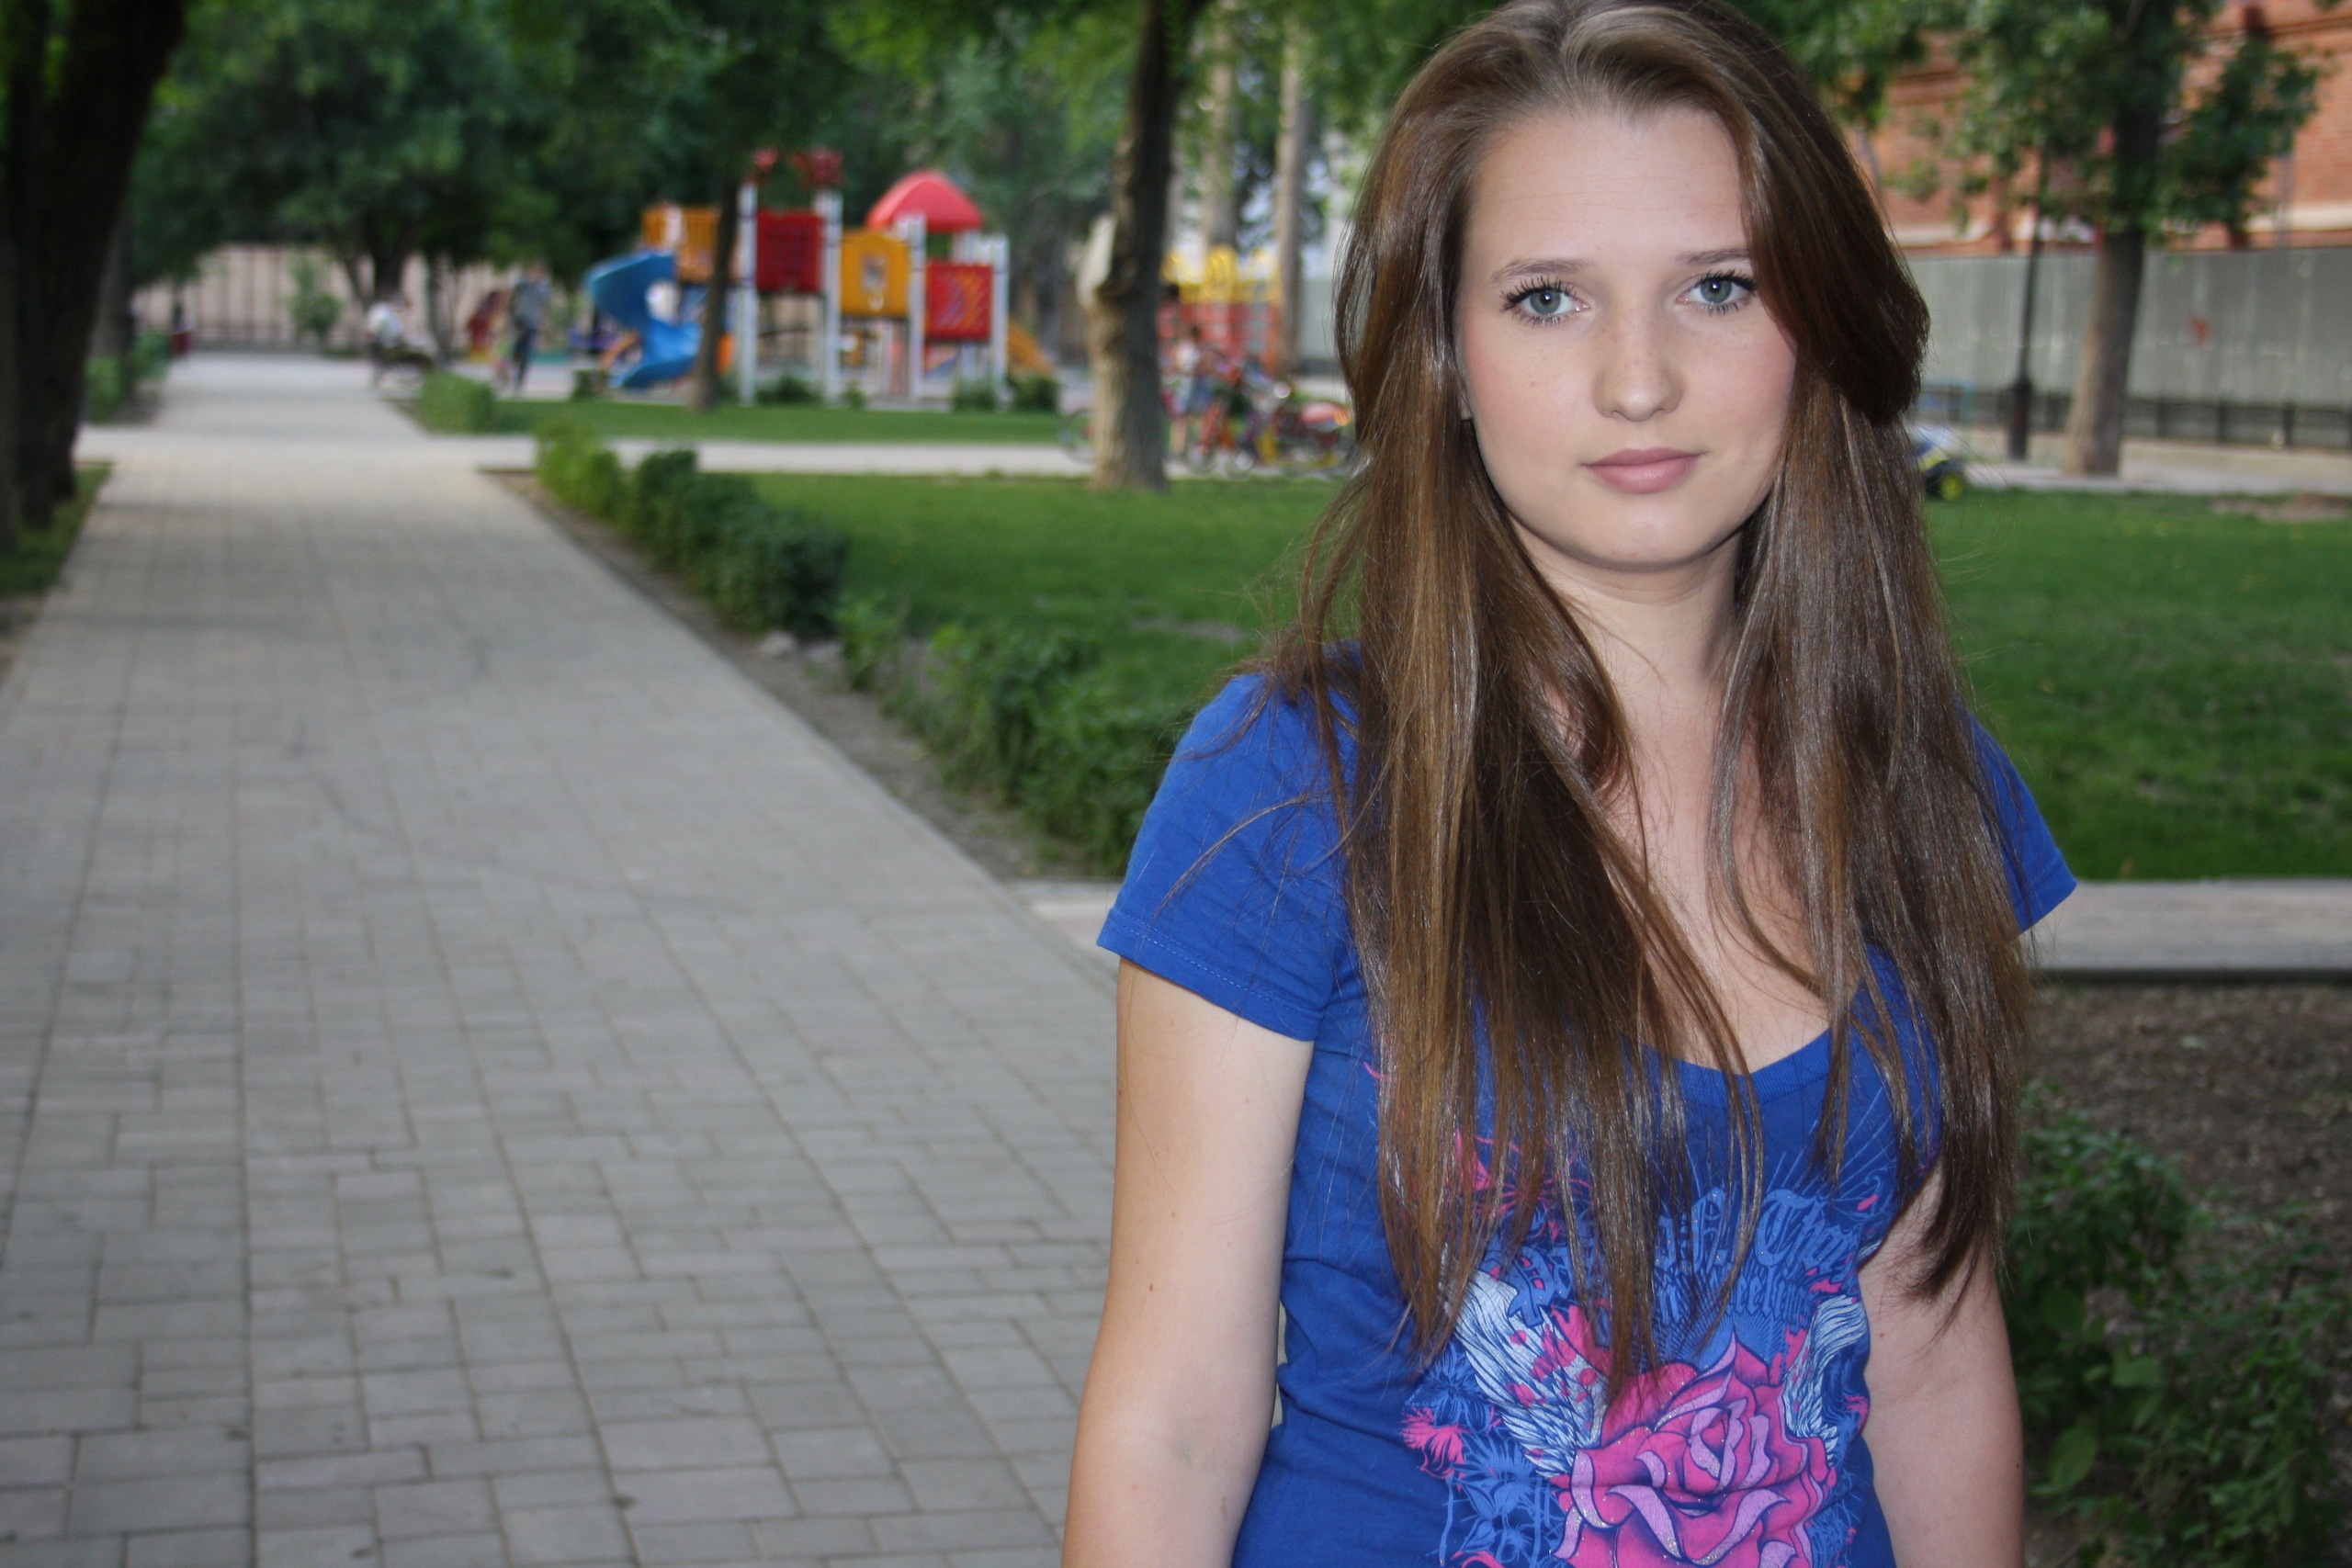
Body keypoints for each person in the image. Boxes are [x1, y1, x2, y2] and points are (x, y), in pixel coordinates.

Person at [1064, 3, 2075, 1567]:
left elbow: (1932, 1354)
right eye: (1547, 298)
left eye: (1719, 287)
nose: (1639, 379)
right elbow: (1174, 1421)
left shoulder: (1925, 784)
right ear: (1448, 358)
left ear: (1818, 324)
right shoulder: (1293, 792)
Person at [503, 265, 550, 394]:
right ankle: (506, 374)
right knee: (514, 351)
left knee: (526, 355)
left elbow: (545, 307)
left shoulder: (543, 289)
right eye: (535, 271)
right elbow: (511, 302)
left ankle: (519, 383)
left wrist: (543, 324)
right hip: (519, 322)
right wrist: (509, 320)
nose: (537, 275)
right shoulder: (522, 285)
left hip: (532, 324)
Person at [364, 292, 409, 386]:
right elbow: (393, 329)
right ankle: (379, 375)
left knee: (380, 361)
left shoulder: (380, 310)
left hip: (382, 339)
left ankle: (378, 376)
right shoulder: (386, 313)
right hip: (388, 340)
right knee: (383, 359)